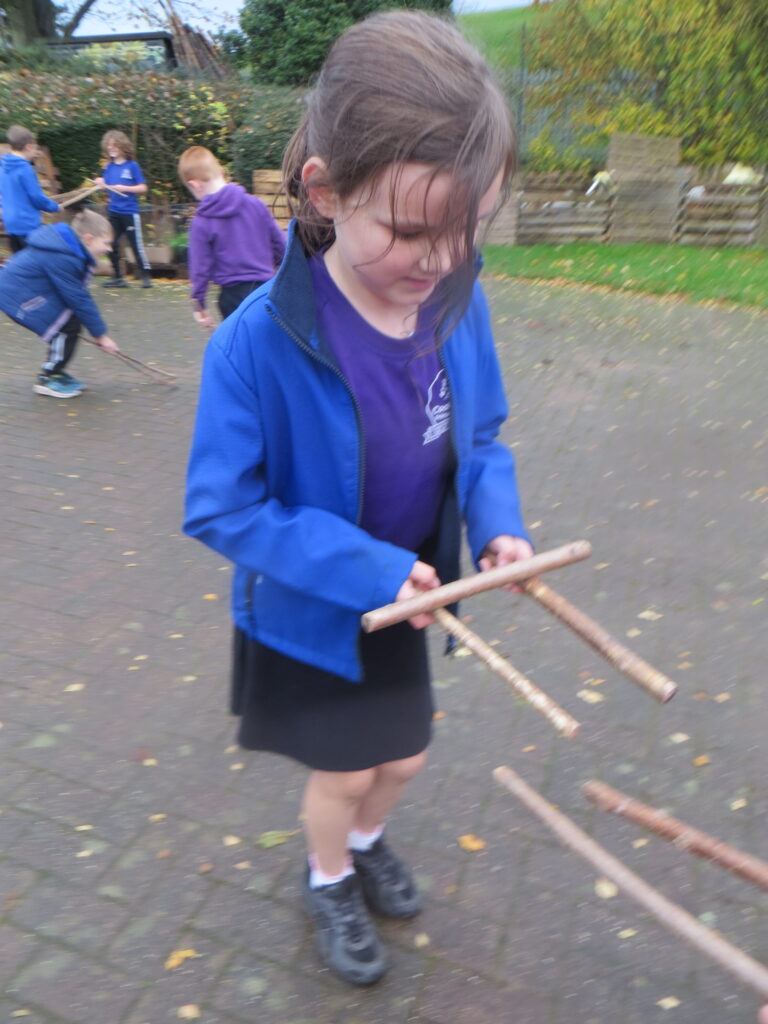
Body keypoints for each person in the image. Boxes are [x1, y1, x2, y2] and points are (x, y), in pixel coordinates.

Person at [183, 11, 531, 987]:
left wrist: (499, 529)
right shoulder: (252, 345)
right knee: (340, 771)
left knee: (405, 759)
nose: (440, 259)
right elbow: (222, 509)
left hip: (410, 599)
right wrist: (367, 567)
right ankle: (328, 870)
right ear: (327, 192)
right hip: (317, 608)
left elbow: (486, 435)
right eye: (414, 230)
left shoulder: (458, 295)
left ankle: (369, 838)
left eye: (470, 231)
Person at [0, 209, 119, 397]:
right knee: (67, 326)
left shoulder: (68, 249)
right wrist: (101, 336)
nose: (109, 249)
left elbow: (76, 295)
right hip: (17, 296)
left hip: (28, 290)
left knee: (70, 322)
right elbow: (78, 298)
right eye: (106, 243)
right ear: (88, 239)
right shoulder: (64, 257)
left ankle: (57, 371)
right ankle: (48, 377)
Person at [178, 146, 286, 327]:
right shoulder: (256, 205)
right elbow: (281, 246)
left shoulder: (202, 222)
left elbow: (199, 268)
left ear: (194, 184)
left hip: (233, 298)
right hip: (267, 293)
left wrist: (200, 305)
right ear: (220, 171)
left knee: (241, 350)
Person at [93, 130, 152, 288]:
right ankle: (118, 277)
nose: (111, 148)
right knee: (110, 243)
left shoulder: (132, 166)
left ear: (122, 146)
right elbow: (106, 188)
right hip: (114, 212)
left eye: (114, 145)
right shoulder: (108, 168)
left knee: (135, 244)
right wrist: (100, 184)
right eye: (109, 146)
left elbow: (143, 188)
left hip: (130, 212)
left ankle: (145, 276)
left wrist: (125, 188)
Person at [0, 125, 59, 253]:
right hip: (27, 225)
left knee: (20, 264)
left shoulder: (3, 167)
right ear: (28, 146)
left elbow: (3, 194)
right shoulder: (25, 168)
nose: (35, 153)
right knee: (34, 264)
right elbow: (36, 197)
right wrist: (54, 207)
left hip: (11, 225)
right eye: (35, 149)